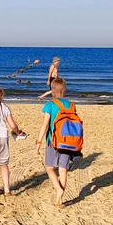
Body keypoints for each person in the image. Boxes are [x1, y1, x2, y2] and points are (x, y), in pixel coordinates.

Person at [37, 77, 79, 206]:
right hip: (68, 141)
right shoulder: (71, 105)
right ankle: (59, 199)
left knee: (49, 168)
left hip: (53, 140)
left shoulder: (50, 105)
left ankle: (58, 189)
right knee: (63, 169)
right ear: (64, 90)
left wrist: (38, 142)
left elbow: (45, 124)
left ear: (52, 90)